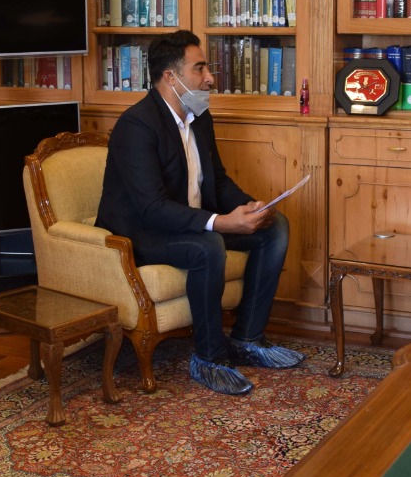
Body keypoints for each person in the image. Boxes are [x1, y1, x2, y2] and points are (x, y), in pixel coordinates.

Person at [96, 30, 303, 395]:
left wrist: (250, 206)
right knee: (207, 245)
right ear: (170, 77)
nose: (210, 77)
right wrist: (221, 222)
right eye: (200, 68)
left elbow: (216, 181)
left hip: (187, 222)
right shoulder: (136, 126)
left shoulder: (198, 115)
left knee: (275, 227)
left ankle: (247, 339)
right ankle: (209, 358)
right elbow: (150, 207)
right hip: (140, 232)